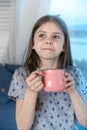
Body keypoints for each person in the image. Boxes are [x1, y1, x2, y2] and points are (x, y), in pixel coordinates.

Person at [8, 15, 87, 130]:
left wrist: (72, 91)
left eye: (55, 37)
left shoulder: (75, 74)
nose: (48, 41)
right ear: (33, 44)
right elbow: (22, 127)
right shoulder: (22, 75)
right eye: (42, 36)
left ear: (64, 46)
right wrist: (31, 92)